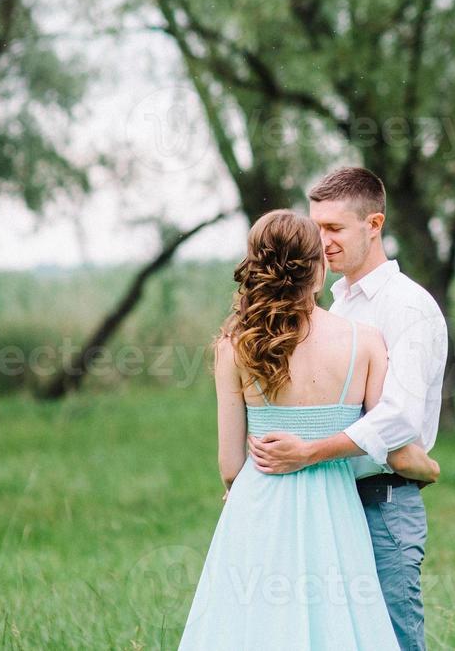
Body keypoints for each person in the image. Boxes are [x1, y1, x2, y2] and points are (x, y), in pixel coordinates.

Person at [178, 209, 438, 650]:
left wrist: (238, 488)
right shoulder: (366, 341)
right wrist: (427, 468)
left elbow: (229, 464)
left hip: (258, 502)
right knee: (336, 622)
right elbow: (387, 442)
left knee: (256, 626)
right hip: (336, 505)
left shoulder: (233, 348)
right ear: (316, 268)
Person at [248, 167, 448, 651]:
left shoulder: (406, 308)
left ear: (373, 224)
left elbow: (398, 418)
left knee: (394, 640)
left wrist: (309, 452)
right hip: (331, 503)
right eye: (316, 228)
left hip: (383, 503)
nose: (321, 242)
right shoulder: (339, 307)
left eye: (334, 229)